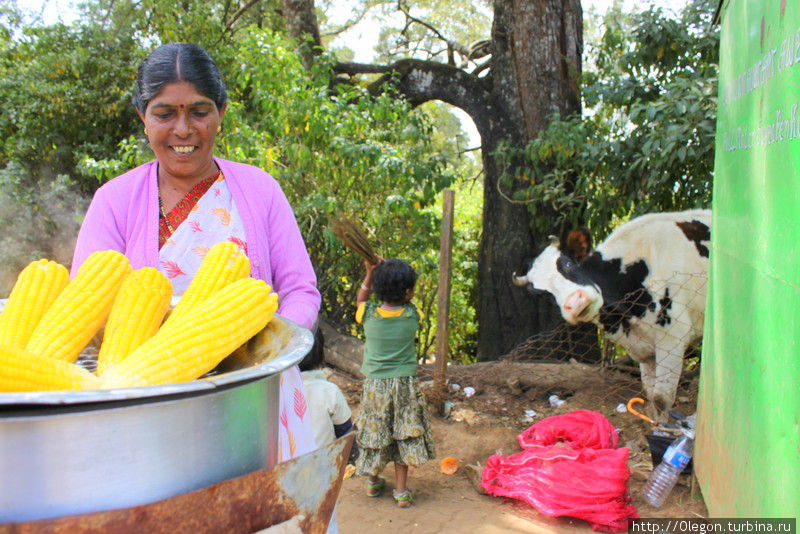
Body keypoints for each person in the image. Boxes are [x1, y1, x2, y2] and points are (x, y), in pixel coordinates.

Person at [71, 42, 320, 464]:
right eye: (165, 113)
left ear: (220, 113)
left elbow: (300, 290)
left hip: (255, 397)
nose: (183, 130)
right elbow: (84, 304)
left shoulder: (260, 189)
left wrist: (259, 353)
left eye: (199, 112)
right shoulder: (114, 199)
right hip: (146, 405)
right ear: (143, 118)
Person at [353, 258, 436, 508]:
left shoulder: (367, 314)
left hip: (376, 386)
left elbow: (361, 300)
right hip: (404, 386)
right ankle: (400, 491)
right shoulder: (413, 314)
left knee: (375, 431)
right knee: (403, 431)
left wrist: (370, 274)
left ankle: (373, 481)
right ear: (408, 292)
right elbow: (408, 303)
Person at [299, 329, 355, 449]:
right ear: (320, 353)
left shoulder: (273, 392)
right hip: (322, 464)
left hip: (283, 466)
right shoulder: (329, 390)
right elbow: (346, 434)